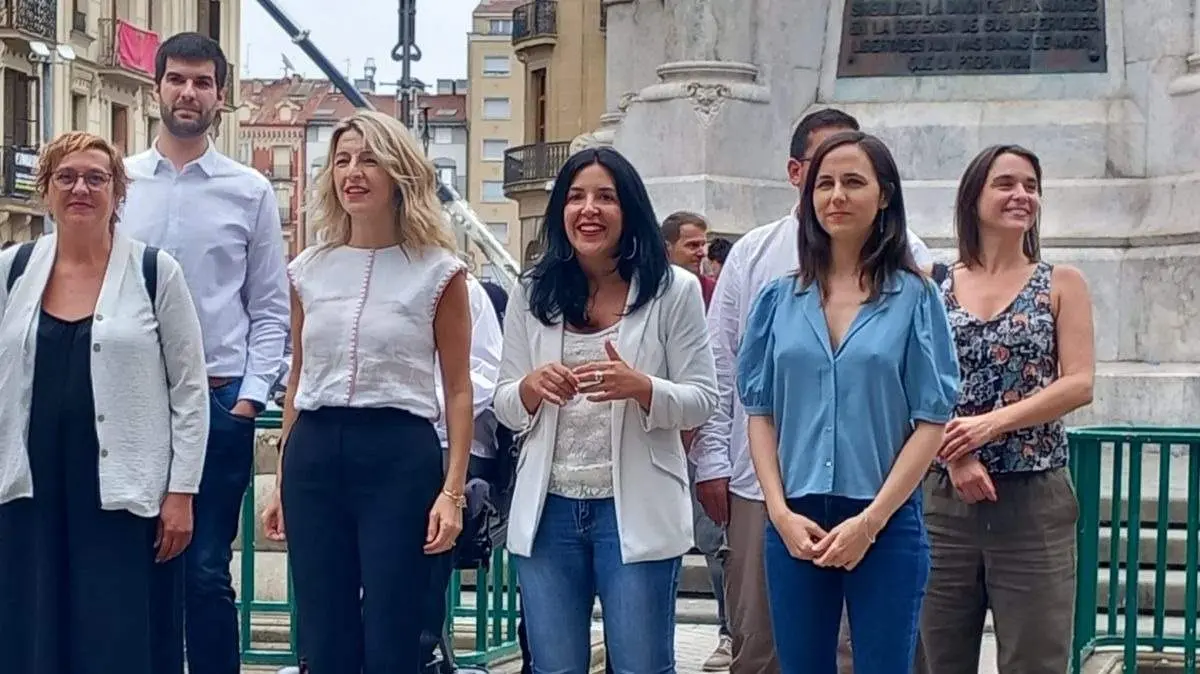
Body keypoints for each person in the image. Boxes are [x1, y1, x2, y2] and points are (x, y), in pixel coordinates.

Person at [689, 108, 936, 674]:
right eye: (825, 183)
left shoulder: (916, 297)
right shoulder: (778, 297)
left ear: (884, 195)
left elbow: (930, 419)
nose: (836, 196)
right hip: (793, 517)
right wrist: (776, 509)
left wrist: (871, 521)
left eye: (853, 182)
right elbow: (758, 408)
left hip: (884, 517)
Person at [259, 109, 472, 673]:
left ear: (399, 172)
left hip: (399, 454)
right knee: (323, 634)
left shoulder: (439, 272)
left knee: (396, 631)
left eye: (369, 158)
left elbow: (457, 389)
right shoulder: (308, 269)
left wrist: (451, 492)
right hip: (315, 452)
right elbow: (299, 378)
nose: (353, 172)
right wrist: (281, 481)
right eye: (343, 160)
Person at [495, 146, 718, 673]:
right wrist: (530, 387)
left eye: (605, 197)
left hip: (634, 507)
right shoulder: (532, 291)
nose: (588, 209)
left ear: (629, 210)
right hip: (548, 512)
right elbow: (504, 403)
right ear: (560, 212)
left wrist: (642, 387)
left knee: (642, 665)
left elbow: (703, 398)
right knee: (554, 667)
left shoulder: (673, 290)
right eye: (575, 197)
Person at [0, 131, 209, 674]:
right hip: (31, 491)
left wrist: (181, 492)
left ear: (119, 193)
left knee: (118, 637)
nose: (81, 189)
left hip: (123, 496)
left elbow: (189, 390)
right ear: (46, 190)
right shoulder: (13, 270)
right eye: (66, 177)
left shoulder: (154, 272)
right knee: (31, 631)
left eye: (97, 178)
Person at [120, 33, 290, 674]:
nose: (188, 92)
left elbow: (271, 309)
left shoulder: (249, 192)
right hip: (129, 401)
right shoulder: (120, 183)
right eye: (177, 80)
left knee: (205, 573)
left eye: (201, 82)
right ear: (157, 87)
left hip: (219, 401)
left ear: (222, 96)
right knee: (131, 571)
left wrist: (248, 401)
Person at [918, 145, 1095, 674]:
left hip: (1035, 496)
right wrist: (956, 453)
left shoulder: (1062, 282)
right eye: (1006, 184)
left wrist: (988, 426)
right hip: (943, 498)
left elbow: (1079, 383)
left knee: (1036, 657)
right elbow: (913, 384)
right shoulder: (934, 284)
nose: (1022, 195)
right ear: (973, 196)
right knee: (934, 656)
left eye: (1031, 186)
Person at [661, 210, 733, 670]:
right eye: (692, 245)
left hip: (703, 437)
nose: (702, 253)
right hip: (662, 441)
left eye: (704, 244)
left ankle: (729, 633)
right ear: (667, 246)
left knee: (718, 543)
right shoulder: (650, 297)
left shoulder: (714, 294)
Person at [662, 210, 716, 304]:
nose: (702, 253)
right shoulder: (651, 291)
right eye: (693, 245)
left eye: (702, 245)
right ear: (667, 248)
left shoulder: (712, 291)